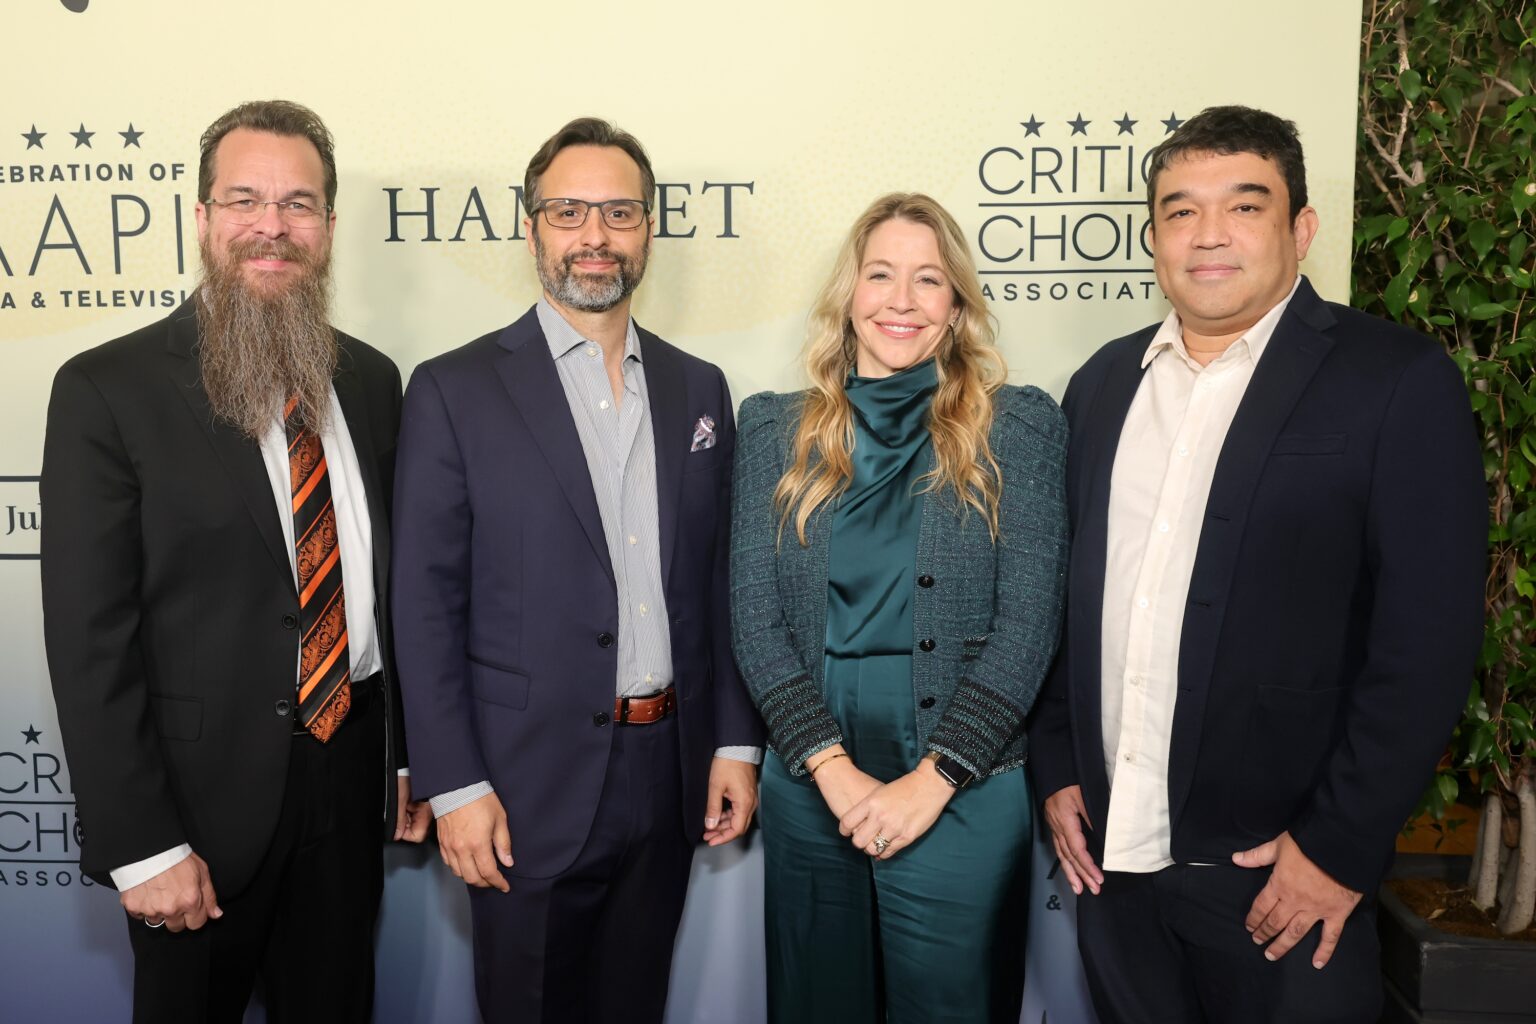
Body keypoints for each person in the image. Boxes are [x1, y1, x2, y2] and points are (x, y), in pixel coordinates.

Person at [1027, 105, 1487, 1024]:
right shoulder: (1103, 384)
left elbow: (1426, 642)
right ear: (1153, 234)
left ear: (1300, 227)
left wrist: (1338, 848)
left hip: (1282, 876)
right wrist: (1055, 762)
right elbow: (1068, 596)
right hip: (1116, 865)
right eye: (1180, 211)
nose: (1209, 237)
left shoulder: (1395, 379)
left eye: (1244, 206)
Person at [39, 100, 428, 1023]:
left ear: (329, 228)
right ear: (204, 217)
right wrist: (142, 846)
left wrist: (406, 761)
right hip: (194, 812)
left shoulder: (371, 380)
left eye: (299, 204)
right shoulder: (108, 388)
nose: (272, 226)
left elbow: (392, 591)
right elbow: (91, 639)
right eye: (244, 199)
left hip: (347, 777)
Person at [391, 116, 764, 1024]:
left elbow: (723, 579)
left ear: (649, 229)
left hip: (669, 771)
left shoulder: (699, 387)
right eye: (569, 211)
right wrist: (456, 784)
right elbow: (424, 603)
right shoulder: (453, 388)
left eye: (619, 212)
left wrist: (736, 741)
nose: (594, 235)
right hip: (523, 787)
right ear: (531, 228)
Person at [730, 192, 1069, 1024]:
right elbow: (753, 615)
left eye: (929, 280)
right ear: (850, 294)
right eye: (881, 275)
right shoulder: (774, 430)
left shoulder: (1017, 428)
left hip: (965, 786)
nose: (902, 300)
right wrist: (832, 773)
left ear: (956, 307)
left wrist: (935, 778)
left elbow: (1030, 625)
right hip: (813, 785)